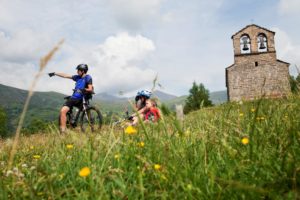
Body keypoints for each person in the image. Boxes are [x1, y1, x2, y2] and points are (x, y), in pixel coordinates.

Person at [48, 64, 93, 133]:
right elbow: (65, 75)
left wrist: (83, 89)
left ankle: (92, 128)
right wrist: (55, 73)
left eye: (78, 70)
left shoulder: (88, 78)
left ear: (83, 71)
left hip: (82, 99)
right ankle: (63, 132)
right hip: (73, 98)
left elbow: (90, 89)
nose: (77, 72)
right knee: (63, 111)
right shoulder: (77, 77)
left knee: (87, 110)